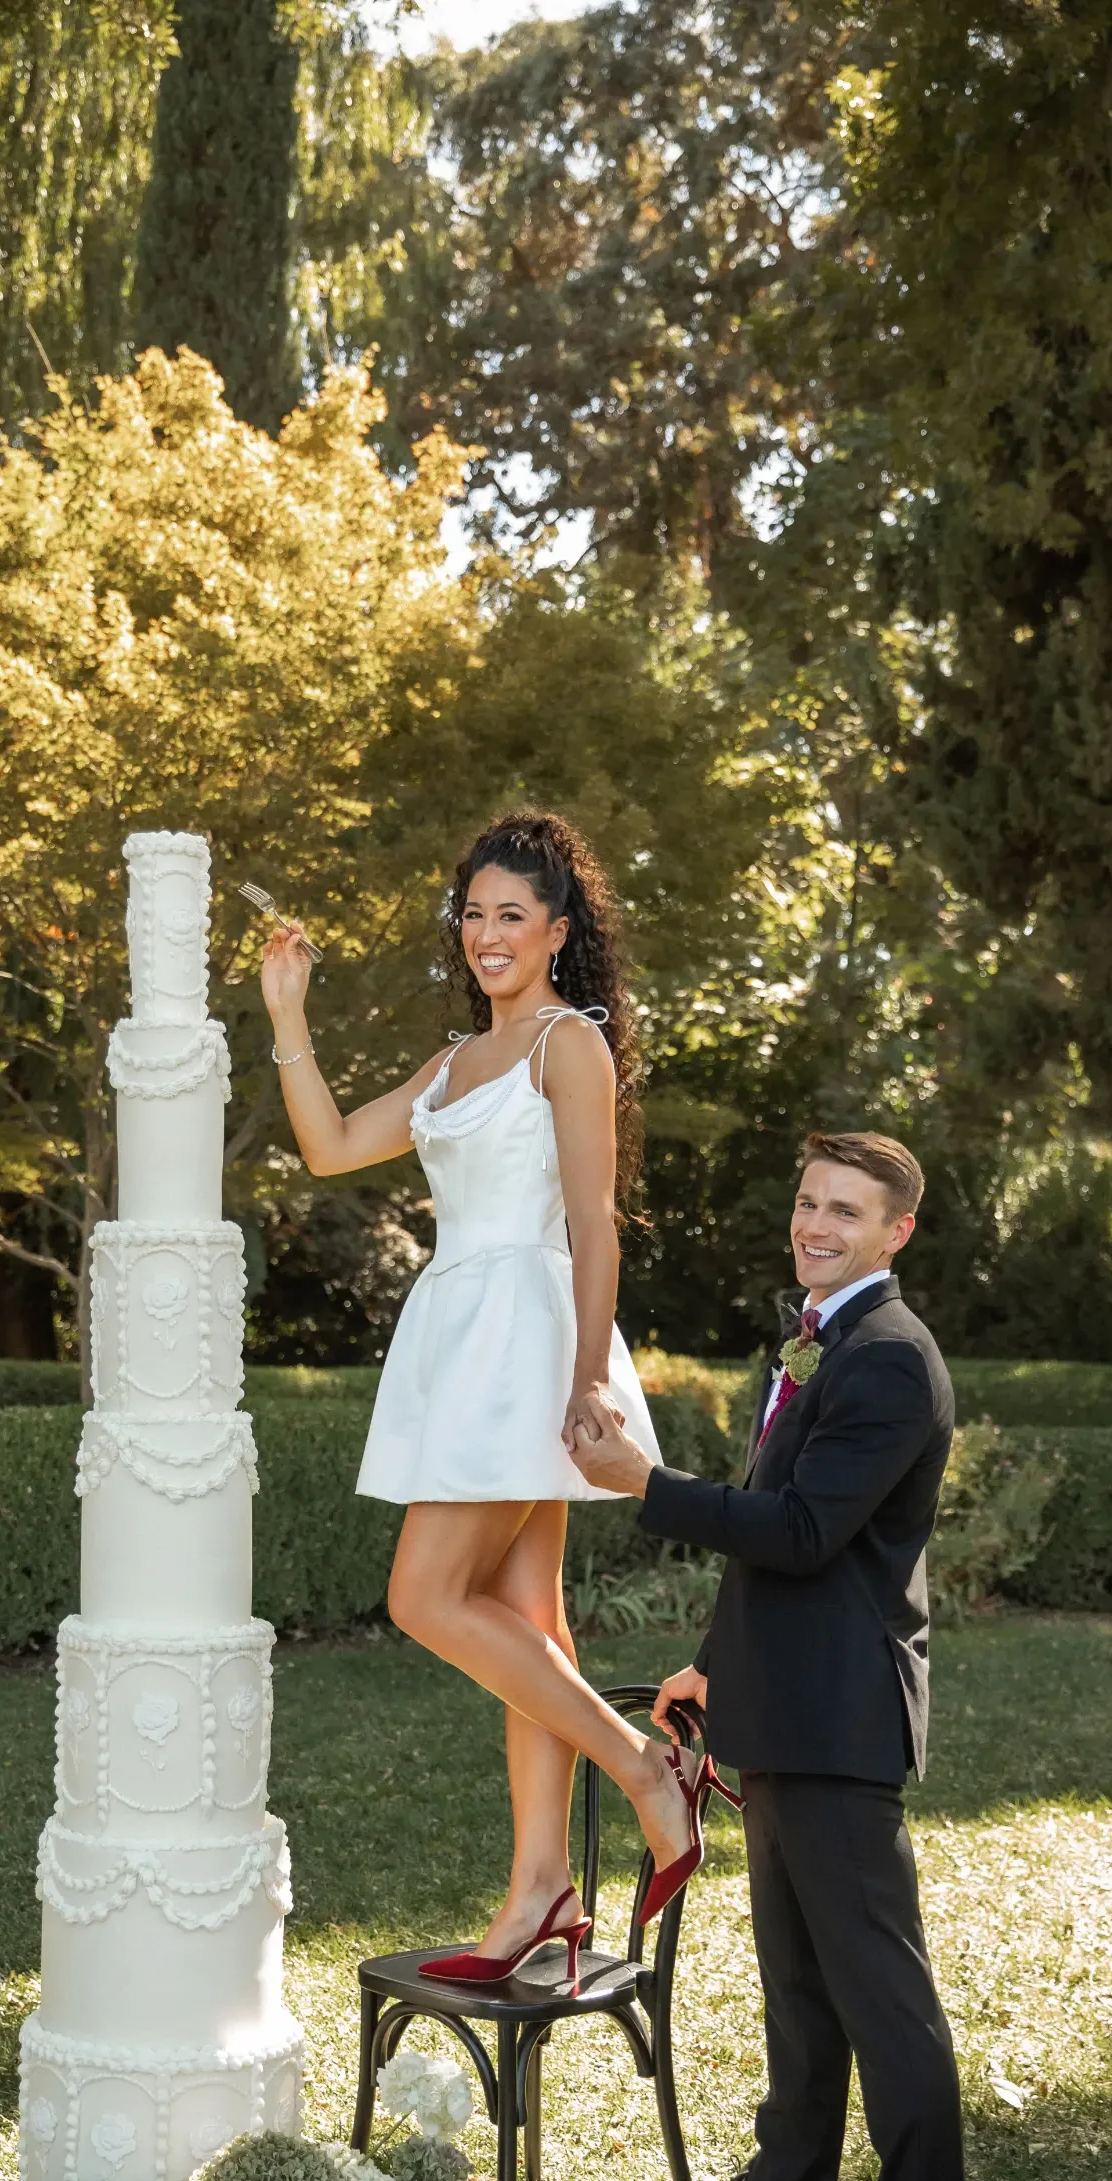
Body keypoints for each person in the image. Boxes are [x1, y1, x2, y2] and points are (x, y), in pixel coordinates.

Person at [260, 812, 705, 1983]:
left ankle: (643, 1769)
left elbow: (596, 1221)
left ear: (558, 931)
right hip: (460, 1333)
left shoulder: (570, 1044)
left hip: (531, 1336)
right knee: (529, 1620)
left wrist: (584, 1377)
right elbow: (329, 1145)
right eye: (474, 913)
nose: (488, 933)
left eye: (513, 914)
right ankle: (540, 1890)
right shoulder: (454, 1063)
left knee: (422, 1593)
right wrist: (287, 1014)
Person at [568, 1130, 974, 2181]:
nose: (816, 1222)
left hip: (842, 1723)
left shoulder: (889, 1359)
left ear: (894, 1231)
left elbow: (798, 1530)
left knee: (884, 2007)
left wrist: (644, 1482)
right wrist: (711, 1660)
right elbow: (776, 1552)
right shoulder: (817, 1339)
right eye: (807, 1201)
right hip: (783, 1705)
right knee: (800, 1991)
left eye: (844, 1209)